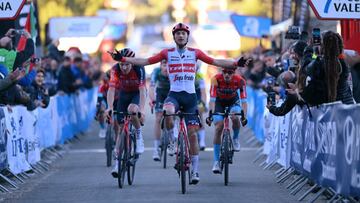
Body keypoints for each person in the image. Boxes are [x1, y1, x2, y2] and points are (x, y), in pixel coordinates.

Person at [109, 23, 249, 184]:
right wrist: (123, 59)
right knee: (167, 110)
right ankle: (172, 140)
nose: (181, 36)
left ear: (187, 37)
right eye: (178, 34)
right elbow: (146, 61)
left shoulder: (195, 53)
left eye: (183, 33)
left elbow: (216, 62)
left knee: (193, 135)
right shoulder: (166, 53)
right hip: (174, 95)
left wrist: (236, 64)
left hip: (190, 98)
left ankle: (195, 171)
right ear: (174, 37)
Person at [106, 48, 146, 178]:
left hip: (136, 94)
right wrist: (110, 107)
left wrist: (142, 109)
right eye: (121, 64)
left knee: (132, 110)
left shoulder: (139, 69)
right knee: (121, 129)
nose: (123, 67)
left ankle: (139, 136)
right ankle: (117, 164)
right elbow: (111, 90)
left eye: (126, 64)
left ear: (132, 63)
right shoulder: (115, 69)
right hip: (123, 94)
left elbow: (142, 91)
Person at [206, 67, 248, 173]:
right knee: (218, 127)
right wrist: (210, 115)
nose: (227, 75)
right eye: (225, 72)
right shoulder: (215, 79)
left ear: (234, 72)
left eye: (230, 72)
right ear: (222, 72)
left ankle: (235, 138)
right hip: (219, 103)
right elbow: (212, 100)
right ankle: (216, 162)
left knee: (235, 116)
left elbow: (244, 101)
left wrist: (244, 117)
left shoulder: (240, 80)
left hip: (233, 102)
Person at [148, 59, 170, 161]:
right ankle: (156, 148)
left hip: (172, 93)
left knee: (171, 117)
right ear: (160, 66)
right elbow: (151, 87)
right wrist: (152, 100)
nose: (166, 68)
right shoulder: (156, 72)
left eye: (169, 65)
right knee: (158, 118)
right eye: (164, 65)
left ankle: (172, 137)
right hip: (160, 93)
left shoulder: (174, 72)